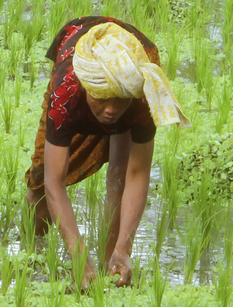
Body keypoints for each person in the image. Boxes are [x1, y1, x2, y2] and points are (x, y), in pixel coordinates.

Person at [25, 16, 191, 288]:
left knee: (119, 175)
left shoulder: (141, 92)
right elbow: (54, 181)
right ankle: (33, 257)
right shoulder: (65, 93)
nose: (111, 109)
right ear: (89, 88)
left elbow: (136, 174)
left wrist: (124, 249)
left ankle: (111, 266)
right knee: (39, 186)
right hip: (76, 86)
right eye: (103, 98)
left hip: (129, 78)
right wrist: (78, 257)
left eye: (119, 99)